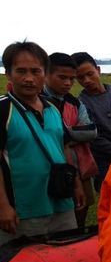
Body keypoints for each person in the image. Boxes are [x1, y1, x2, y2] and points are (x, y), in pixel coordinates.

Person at [0, 41, 84, 246]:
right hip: (23, 210)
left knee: (66, 258)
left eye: (35, 71)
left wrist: (76, 184)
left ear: (44, 74)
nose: (29, 78)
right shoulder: (3, 110)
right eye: (21, 71)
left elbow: (63, 147)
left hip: (61, 202)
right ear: (8, 74)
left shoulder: (53, 108)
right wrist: (3, 206)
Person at [43, 53, 97, 228]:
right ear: (46, 74)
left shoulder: (74, 102)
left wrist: (61, 133)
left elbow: (91, 131)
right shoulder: (37, 101)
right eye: (62, 77)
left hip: (80, 168)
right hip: (47, 170)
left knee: (81, 209)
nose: (68, 83)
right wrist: (73, 134)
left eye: (71, 79)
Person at [72, 51, 111, 193]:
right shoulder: (81, 104)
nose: (86, 80)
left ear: (98, 70)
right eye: (80, 77)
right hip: (105, 163)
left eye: (90, 74)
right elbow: (95, 140)